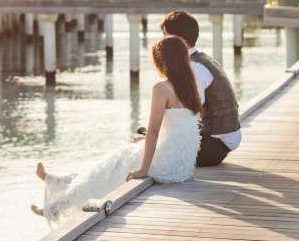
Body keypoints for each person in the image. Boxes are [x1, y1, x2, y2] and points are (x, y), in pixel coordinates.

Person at [30, 35, 203, 227]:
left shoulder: (161, 88)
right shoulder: (191, 87)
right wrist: (143, 142)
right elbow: (177, 127)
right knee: (112, 164)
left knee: (114, 163)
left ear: (164, 61)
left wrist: (143, 170)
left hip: (165, 165)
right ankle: (57, 182)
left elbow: (153, 131)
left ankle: (55, 207)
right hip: (183, 166)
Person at [159, 11, 241, 167]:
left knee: (148, 146)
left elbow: (190, 112)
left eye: (165, 36)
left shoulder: (194, 67)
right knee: (148, 135)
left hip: (213, 146)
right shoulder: (201, 58)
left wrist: (159, 137)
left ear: (178, 40)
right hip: (221, 138)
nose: (162, 43)